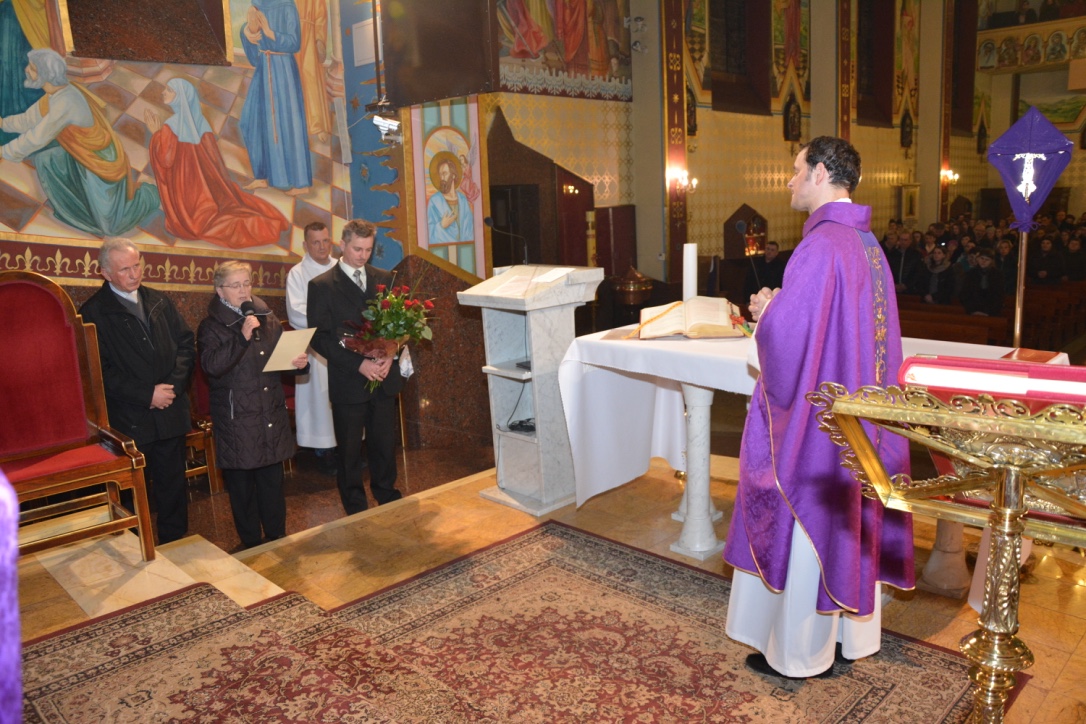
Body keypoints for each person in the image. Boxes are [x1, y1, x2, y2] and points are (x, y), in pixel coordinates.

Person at [723, 136, 914, 680]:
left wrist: (768, 309)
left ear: (821, 173)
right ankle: (850, 638)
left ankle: (799, 654)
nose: (789, 181)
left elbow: (790, 340)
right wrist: (782, 307)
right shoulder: (867, 243)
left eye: (796, 169)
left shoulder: (821, 244)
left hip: (820, 424)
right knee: (847, 521)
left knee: (809, 516)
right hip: (857, 417)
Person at [79, 238, 194, 544]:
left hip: (170, 409)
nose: (134, 274)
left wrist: (171, 388)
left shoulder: (159, 300)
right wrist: (147, 395)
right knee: (132, 490)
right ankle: (132, 546)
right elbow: (99, 371)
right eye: (124, 269)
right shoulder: (93, 313)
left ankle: (176, 542)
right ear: (105, 273)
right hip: (130, 418)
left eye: (137, 265)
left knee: (172, 484)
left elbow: (185, 345)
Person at [198, 261, 308, 549]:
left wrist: (298, 363)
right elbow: (211, 366)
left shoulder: (266, 317)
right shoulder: (211, 326)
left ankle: (276, 535)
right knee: (242, 485)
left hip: (269, 410)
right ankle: (250, 542)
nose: (243, 290)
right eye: (235, 285)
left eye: (246, 283)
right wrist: (241, 337)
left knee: (272, 480)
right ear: (220, 290)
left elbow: (279, 359)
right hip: (237, 418)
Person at [0, 49, 159, 236]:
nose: (27, 70)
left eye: (33, 68)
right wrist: (3, 123)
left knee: (111, 227)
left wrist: (4, 151)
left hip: (99, 161)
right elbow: (28, 120)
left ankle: (149, 195)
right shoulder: (53, 96)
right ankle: (79, 205)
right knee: (46, 159)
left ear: (45, 74)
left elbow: (37, 137)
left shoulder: (66, 102)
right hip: (79, 156)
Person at [307, 219, 405, 514]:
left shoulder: (385, 279)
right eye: (357, 249)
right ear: (342, 245)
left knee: (384, 444)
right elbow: (320, 338)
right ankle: (355, 508)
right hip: (349, 380)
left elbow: (400, 325)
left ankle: (387, 495)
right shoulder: (322, 286)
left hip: (383, 377)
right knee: (350, 451)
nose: (363, 256)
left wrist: (391, 354)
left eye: (368, 249)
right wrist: (358, 364)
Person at [146, 78, 289, 248]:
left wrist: (156, 135)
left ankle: (258, 227)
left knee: (202, 224)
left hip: (186, 193)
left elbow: (165, 159)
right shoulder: (201, 122)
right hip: (209, 190)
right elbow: (213, 161)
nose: (163, 92)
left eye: (169, 90)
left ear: (180, 97)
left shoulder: (170, 126)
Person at [240, 0, 312, 195]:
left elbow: (294, 42)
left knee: (289, 124)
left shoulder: (287, 5)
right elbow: (253, 46)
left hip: (283, 70)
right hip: (264, 67)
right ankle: (261, 175)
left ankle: (300, 183)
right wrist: (247, 32)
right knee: (251, 121)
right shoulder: (257, 5)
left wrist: (270, 32)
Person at [285, 221, 339, 474]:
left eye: (325, 241)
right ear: (305, 245)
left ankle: (345, 449)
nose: (322, 246)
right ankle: (324, 452)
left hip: (343, 345)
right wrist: (331, 323)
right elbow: (296, 312)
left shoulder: (342, 268)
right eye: (315, 242)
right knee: (320, 400)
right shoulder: (297, 273)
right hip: (315, 347)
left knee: (342, 397)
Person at [427, 154, 474, 243]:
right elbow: (429, 232)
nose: (442, 178)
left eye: (444, 173)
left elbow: (470, 228)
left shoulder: (462, 200)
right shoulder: (434, 201)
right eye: (440, 174)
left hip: (464, 248)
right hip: (442, 248)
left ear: (453, 175)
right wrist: (441, 226)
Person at [960, 248, 1004, 316]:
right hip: (973, 310)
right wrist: (972, 310)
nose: (983, 261)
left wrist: (989, 312)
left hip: (991, 311)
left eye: (987, 259)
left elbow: (998, 295)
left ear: (991, 261)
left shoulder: (997, 275)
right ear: (977, 259)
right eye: (982, 258)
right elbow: (965, 293)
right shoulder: (971, 273)